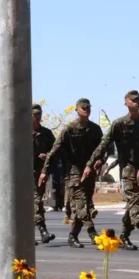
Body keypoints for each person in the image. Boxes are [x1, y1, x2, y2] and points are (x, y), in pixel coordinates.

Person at [85, 90, 139, 250]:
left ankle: (124, 236)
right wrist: (92, 162)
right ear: (126, 103)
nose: (137, 102)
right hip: (128, 168)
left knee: (133, 203)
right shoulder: (118, 124)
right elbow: (104, 144)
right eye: (133, 100)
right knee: (135, 199)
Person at [40, 98, 103, 248]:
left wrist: (100, 159)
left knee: (85, 205)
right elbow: (55, 150)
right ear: (77, 110)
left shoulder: (95, 129)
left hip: (89, 172)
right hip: (73, 172)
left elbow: (103, 148)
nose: (86, 110)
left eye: (88, 108)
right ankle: (92, 233)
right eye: (83, 108)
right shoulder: (69, 129)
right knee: (81, 204)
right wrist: (45, 171)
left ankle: (73, 235)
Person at [32, 104, 57, 244]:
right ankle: (43, 231)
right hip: (24, 174)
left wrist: (47, 156)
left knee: (35, 203)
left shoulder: (47, 134)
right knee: (36, 202)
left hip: (40, 173)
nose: (37, 119)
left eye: (39, 116)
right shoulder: (21, 132)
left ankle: (29, 234)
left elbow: (55, 152)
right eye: (35, 116)